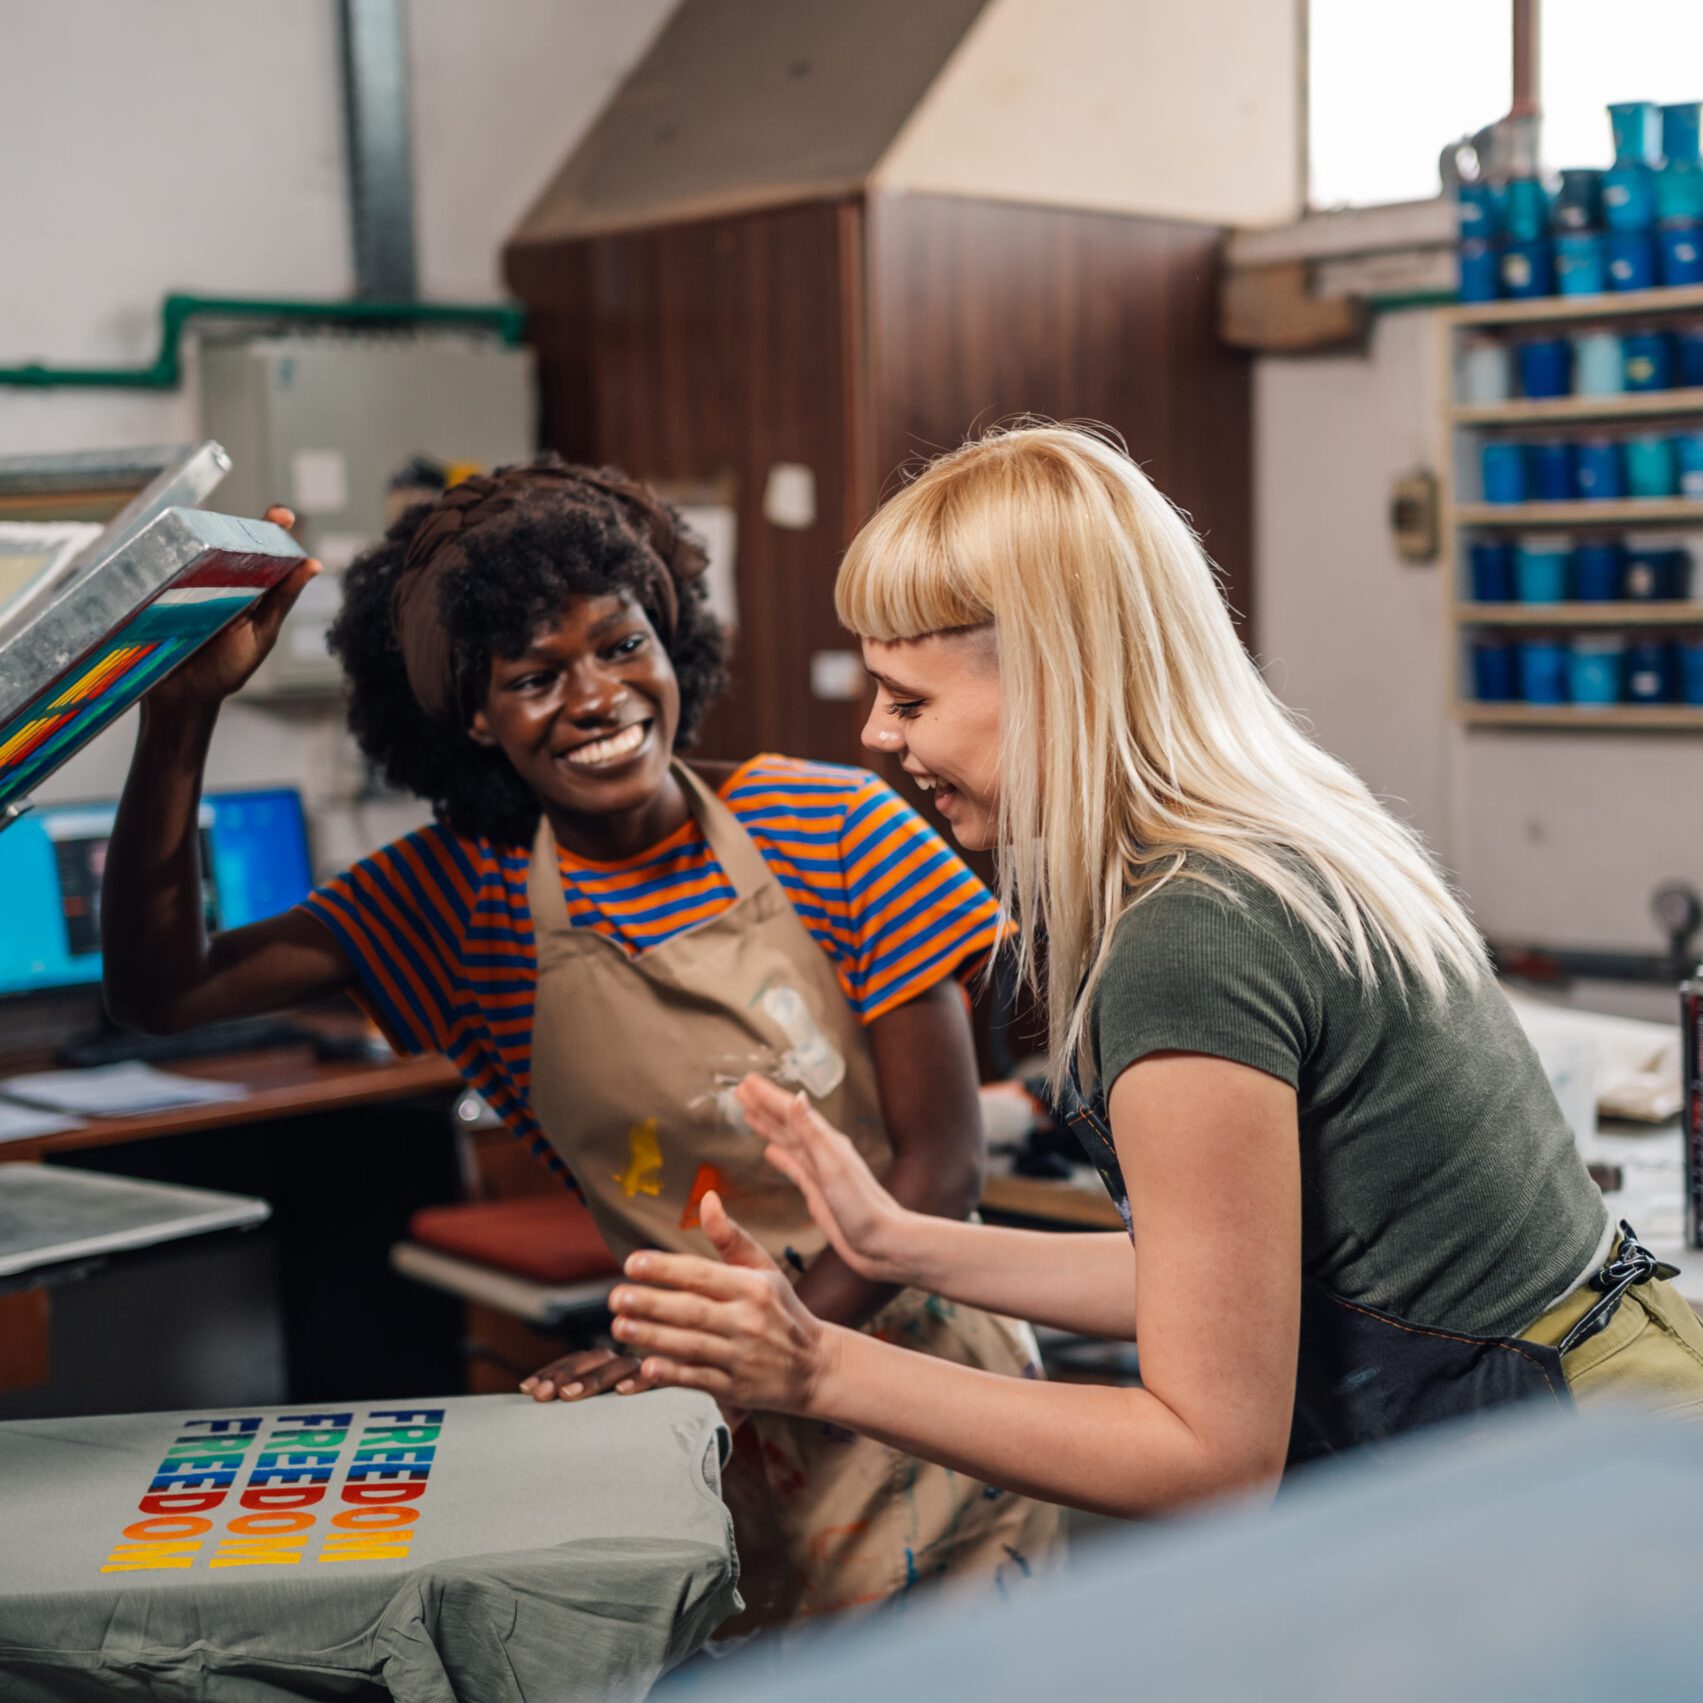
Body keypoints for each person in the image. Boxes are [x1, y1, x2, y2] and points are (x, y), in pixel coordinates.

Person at [604, 423, 1703, 1519]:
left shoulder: (1189, 936)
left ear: (1050, 678)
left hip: (1571, 1480)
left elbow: (1206, 1456)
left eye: (909, 700)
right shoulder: (1271, 828)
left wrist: (816, 1367)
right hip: (1611, 1420)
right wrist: (900, 1242)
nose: (876, 734)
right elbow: (1218, 1281)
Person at [100, 456, 1061, 1621]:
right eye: (533, 675)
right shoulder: (459, 904)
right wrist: (179, 705)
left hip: (925, 1389)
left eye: (620, 644)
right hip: (703, 1427)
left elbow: (938, 1170)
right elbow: (164, 987)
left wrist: (744, 1350)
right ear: (473, 714)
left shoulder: (829, 822)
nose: (597, 694)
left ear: (670, 640)